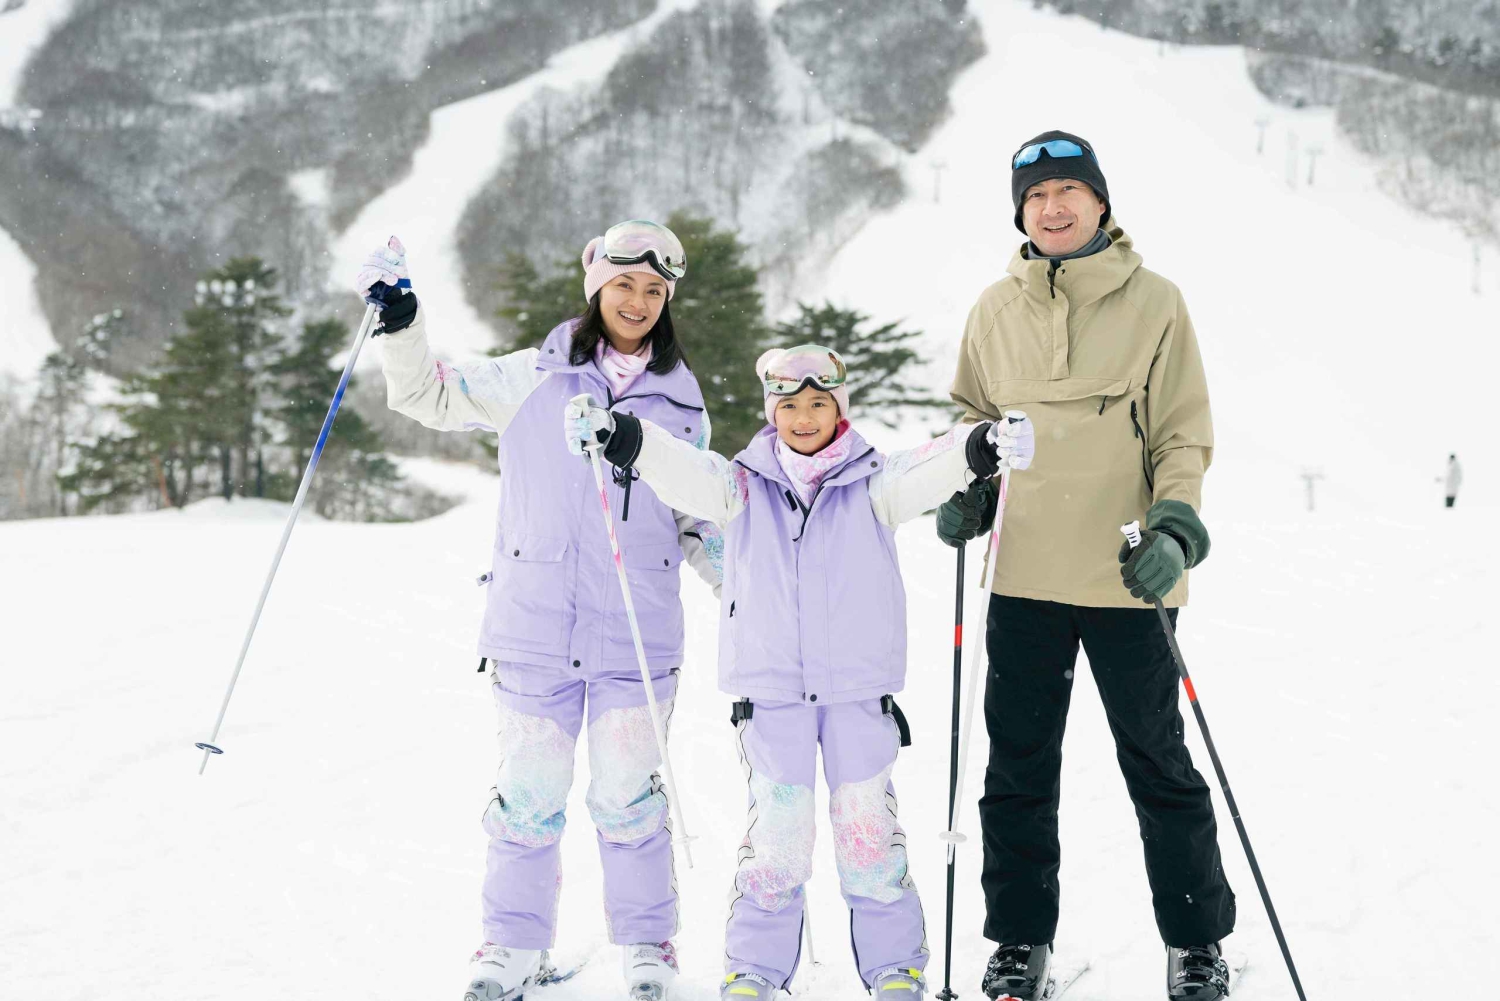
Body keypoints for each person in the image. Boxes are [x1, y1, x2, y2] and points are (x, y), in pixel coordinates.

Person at [564, 344, 1035, 1001]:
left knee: (869, 835)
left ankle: (895, 968)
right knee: (777, 839)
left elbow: (931, 466)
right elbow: (679, 466)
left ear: (839, 409)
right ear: (772, 412)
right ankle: (755, 968)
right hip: (773, 694)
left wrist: (984, 443)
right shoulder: (741, 483)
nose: (805, 416)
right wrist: (624, 435)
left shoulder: (873, 480)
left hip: (857, 696)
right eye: (791, 405)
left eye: (819, 403)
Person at [355, 222, 721, 1001]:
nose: (639, 302)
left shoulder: (684, 405)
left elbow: (698, 519)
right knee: (527, 798)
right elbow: (427, 394)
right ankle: (513, 947)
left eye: (655, 290)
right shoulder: (533, 375)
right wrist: (401, 322)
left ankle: (648, 948)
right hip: (535, 630)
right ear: (596, 290)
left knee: (630, 798)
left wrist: (750, 595)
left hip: (637, 634)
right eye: (624, 286)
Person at [935, 131, 1236, 1001]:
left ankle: (1196, 942)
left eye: (1070, 189)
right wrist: (969, 490)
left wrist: (1176, 532)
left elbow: (1183, 432)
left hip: (1128, 574)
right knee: (1017, 767)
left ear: (1102, 202)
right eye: (1036, 195)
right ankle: (1020, 943)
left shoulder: (1156, 302)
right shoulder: (994, 308)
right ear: (1021, 212)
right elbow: (972, 422)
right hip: (1024, 577)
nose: (1054, 206)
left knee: (1158, 763)